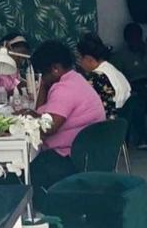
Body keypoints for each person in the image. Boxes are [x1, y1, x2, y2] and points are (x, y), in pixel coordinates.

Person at [28, 39, 105, 193]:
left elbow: (48, 126)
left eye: (42, 74)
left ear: (55, 69)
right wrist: (43, 88)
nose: (41, 79)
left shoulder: (64, 88)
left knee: (24, 173)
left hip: (70, 159)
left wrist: (27, 117)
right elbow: (42, 112)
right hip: (86, 155)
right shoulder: (75, 79)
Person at [75, 31, 132, 119]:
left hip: (108, 121)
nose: (79, 63)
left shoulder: (96, 78)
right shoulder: (111, 69)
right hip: (123, 120)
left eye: (79, 58)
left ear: (89, 59)